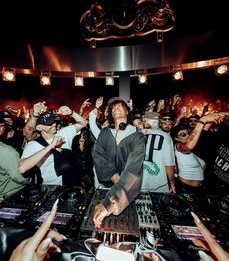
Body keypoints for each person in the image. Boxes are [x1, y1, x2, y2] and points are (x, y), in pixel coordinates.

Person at [92, 97, 145, 228]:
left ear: (127, 111)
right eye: (113, 108)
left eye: (120, 106)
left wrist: (110, 203)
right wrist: (113, 174)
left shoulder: (137, 136)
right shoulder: (105, 133)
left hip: (127, 190)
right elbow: (96, 154)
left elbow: (133, 168)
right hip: (105, 185)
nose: (116, 109)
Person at [19, 106, 87, 185]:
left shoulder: (64, 133)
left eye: (54, 121)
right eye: (49, 123)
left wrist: (71, 113)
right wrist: (50, 147)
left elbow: (83, 123)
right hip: (52, 188)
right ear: (39, 127)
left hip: (73, 184)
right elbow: (22, 168)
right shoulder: (34, 145)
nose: (54, 124)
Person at [0, 112, 31, 198]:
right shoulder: (7, 151)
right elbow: (21, 177)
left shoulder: (20, 134)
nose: (8, 122)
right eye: (4, 121)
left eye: (9, 120)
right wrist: (31, 178)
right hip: (10, 194)